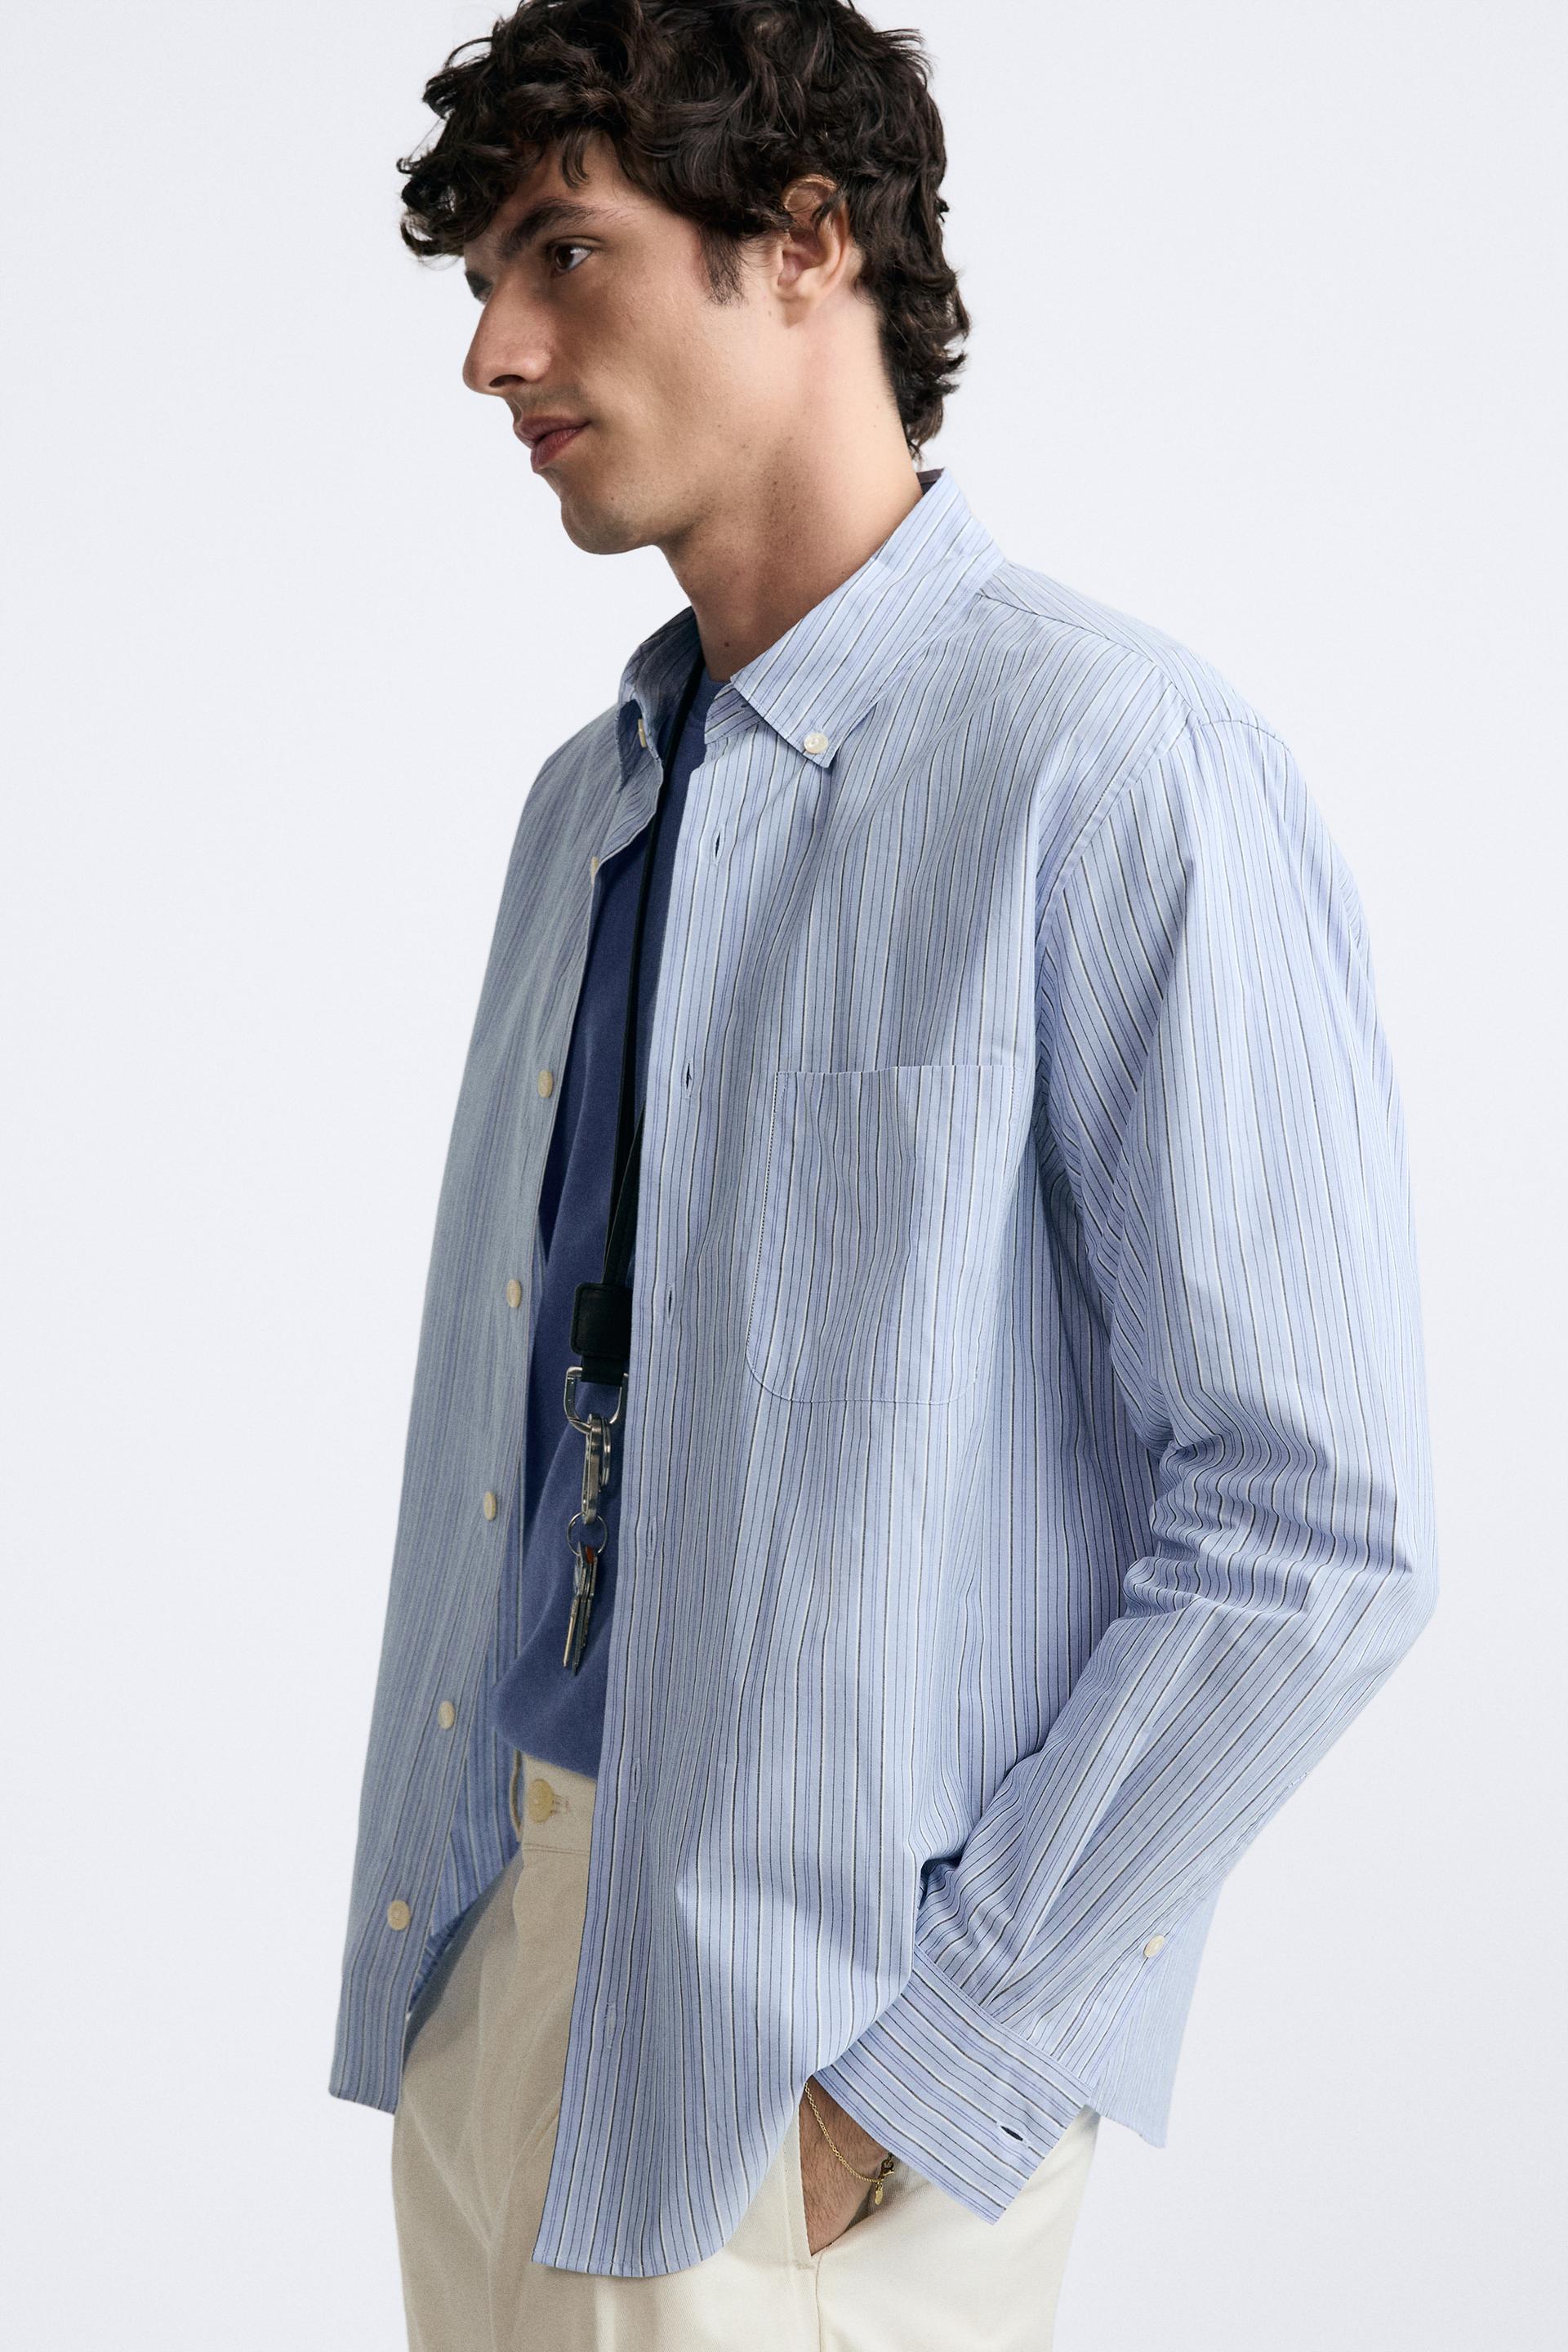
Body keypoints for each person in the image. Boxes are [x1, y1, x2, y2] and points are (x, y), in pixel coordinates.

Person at [327, 4, 1438, 2345]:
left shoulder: (1118, 766)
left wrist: (929, 2066)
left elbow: (1313, 1529)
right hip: (506, 1969)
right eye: (483, 282)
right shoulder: (588, 806)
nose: (495, 352)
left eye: (563, 253)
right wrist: (455, 1977)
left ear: (809, 238)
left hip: (808, 2074)